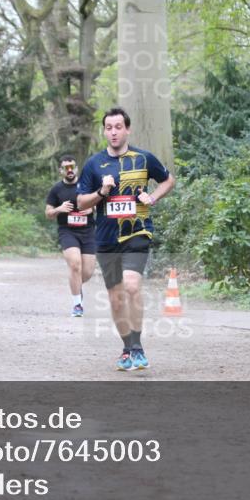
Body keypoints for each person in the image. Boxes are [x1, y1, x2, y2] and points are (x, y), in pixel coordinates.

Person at [78, 107, 175, 372]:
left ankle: (138, 348)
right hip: (106, 238)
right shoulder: (94, 164)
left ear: (127, 130)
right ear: (104, 131)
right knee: (116, 298)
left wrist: (152, 198)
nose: (113, 132)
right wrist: (102, 191)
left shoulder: (143, 158)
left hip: (137, 231)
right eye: (109, 128)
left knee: (132, 286)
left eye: (118, 127)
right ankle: (126, 348)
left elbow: (168, 180)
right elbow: (81, 202)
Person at [45, 154, 96, 317]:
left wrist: (93, 208)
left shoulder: (87, 185)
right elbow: (48, 213)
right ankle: (77, 305)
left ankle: (76, 286)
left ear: (76, 168)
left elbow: (101, 203)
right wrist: (59, 209)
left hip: (88, 232)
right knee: (75, 265)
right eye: (66, 168)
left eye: (72, 167)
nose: (69, 170)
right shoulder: (56, 189)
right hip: (67, 231)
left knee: (87, 272)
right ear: (61, 170)